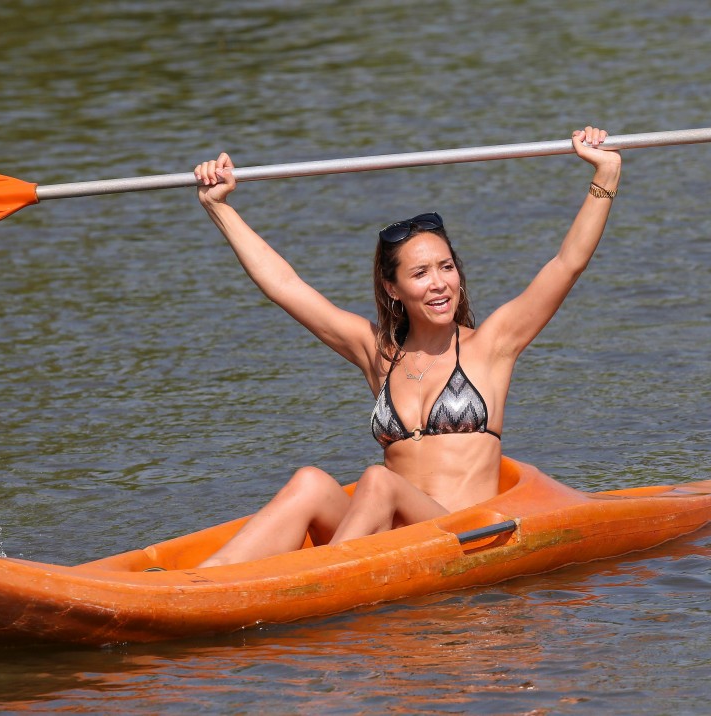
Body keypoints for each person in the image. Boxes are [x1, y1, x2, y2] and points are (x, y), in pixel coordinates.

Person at [193, 126, 621, 567]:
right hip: (394, 540)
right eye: (420, 274)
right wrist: (219, 207)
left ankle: (319, 578)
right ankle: (205, 582)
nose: (439, 284)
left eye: (447, 267)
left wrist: (605, 174)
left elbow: (567, 263)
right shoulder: (377, 354)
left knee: (379, 481)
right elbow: (285, 285)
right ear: (393, 288)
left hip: (464, 537)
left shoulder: (493, 345)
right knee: (311, 482)